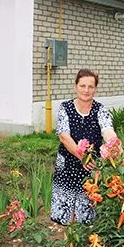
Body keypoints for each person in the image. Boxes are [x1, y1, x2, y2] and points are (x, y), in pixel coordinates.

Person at [50, 69, 117, 225]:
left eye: (90, 87)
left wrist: (115, 145)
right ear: (76, 87)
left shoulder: (100, 110)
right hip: (67, 166)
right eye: (82, 86)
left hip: (90, 169)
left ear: (95, 89)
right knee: (66, 214)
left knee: (88, 209)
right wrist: (82, 156)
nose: (86, 90)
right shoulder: (65, 108)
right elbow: (64, 136)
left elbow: (108, 131)